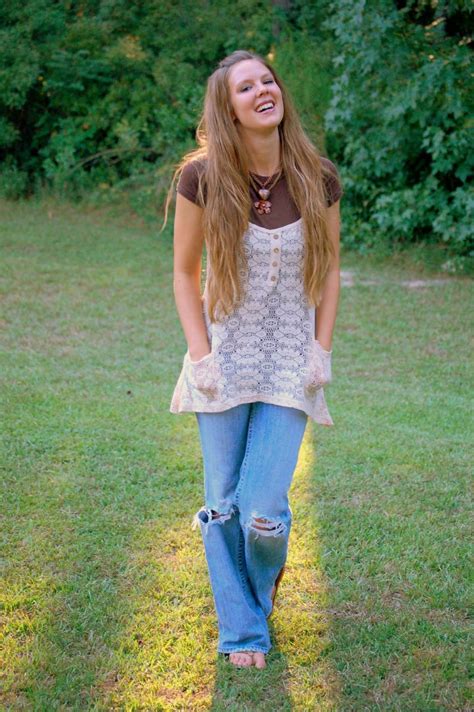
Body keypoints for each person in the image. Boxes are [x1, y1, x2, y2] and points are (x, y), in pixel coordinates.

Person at [167, 50, 343, 669]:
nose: (263, 90)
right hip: (224, 356)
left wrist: (321, 349)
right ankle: (242, 632)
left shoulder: (316, 175)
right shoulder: (203, 178)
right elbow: (185, 275)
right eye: (247, 87)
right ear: (229, 107)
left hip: (292, 363)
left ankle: (257, 590)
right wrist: (201, 356)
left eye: (268, 80)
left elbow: (329, 275)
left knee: (264, 514)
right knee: (223, 504)